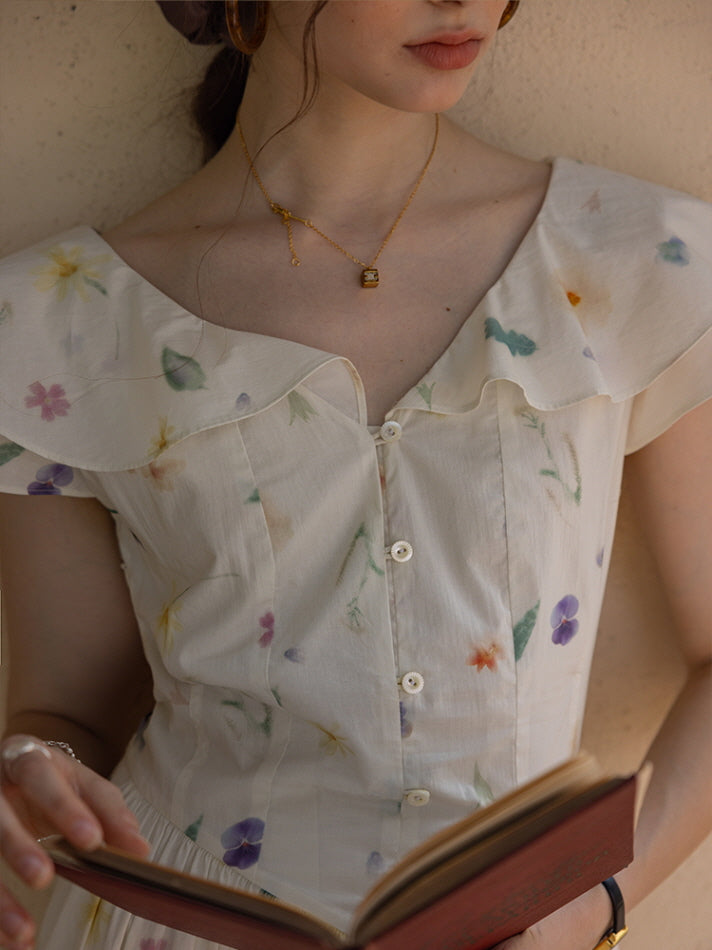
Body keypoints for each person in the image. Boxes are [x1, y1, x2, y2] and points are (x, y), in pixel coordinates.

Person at [0, 2, 710, 949]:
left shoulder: (638, 259)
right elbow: (70, 709)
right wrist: (28, 767)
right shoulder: (54, 329)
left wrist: (596, 905)